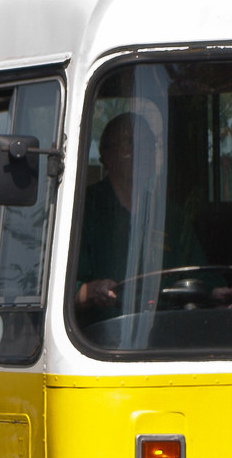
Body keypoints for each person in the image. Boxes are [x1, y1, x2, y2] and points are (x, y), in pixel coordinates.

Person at [74, 112, 208, 318]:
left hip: (167, 333)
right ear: (106, 156)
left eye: (149, 144)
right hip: (96, 342)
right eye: (130, 143)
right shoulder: (83, 210)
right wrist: (93, 290)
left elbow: (201, 276)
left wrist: (216, 293)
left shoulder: (171, 216)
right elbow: (61, 290)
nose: (142, 151)